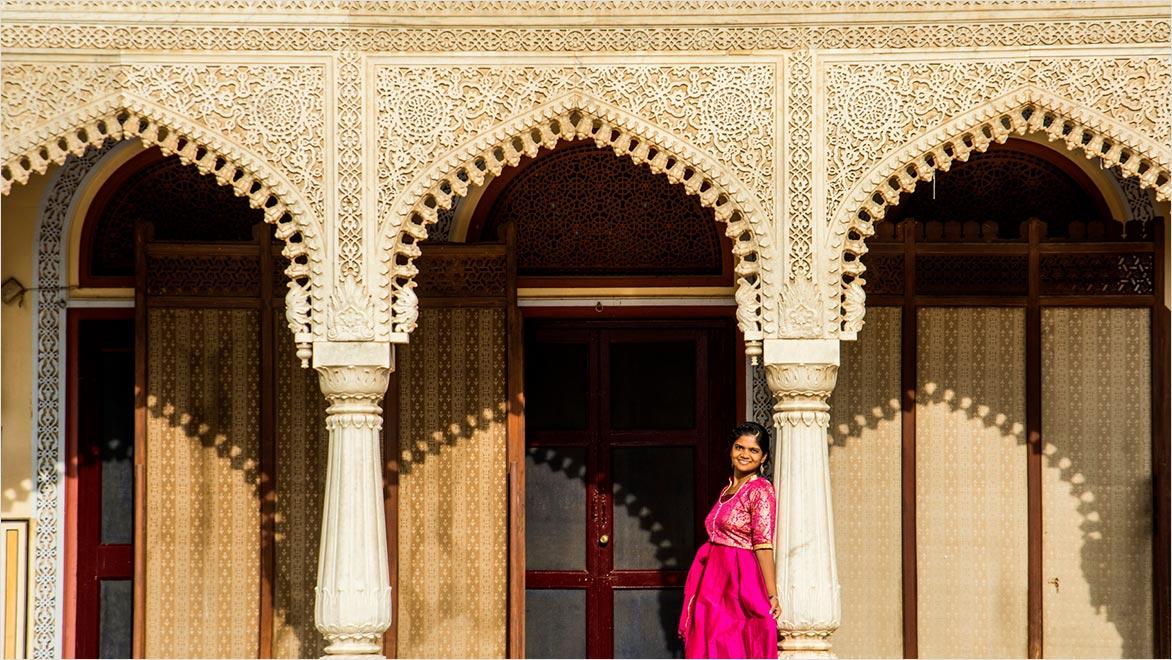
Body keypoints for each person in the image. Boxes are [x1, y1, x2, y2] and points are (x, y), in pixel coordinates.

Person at [678, 422, 780, 659]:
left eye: (753, 450)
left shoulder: (760, 490)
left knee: (733, 640)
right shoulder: (728, 488)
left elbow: (763, 543)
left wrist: (772, 594)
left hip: (738, 576)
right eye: (739, 447)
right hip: (713, 576)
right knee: (709, 639)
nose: (745, 454)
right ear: (731, 450)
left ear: (764, 456)